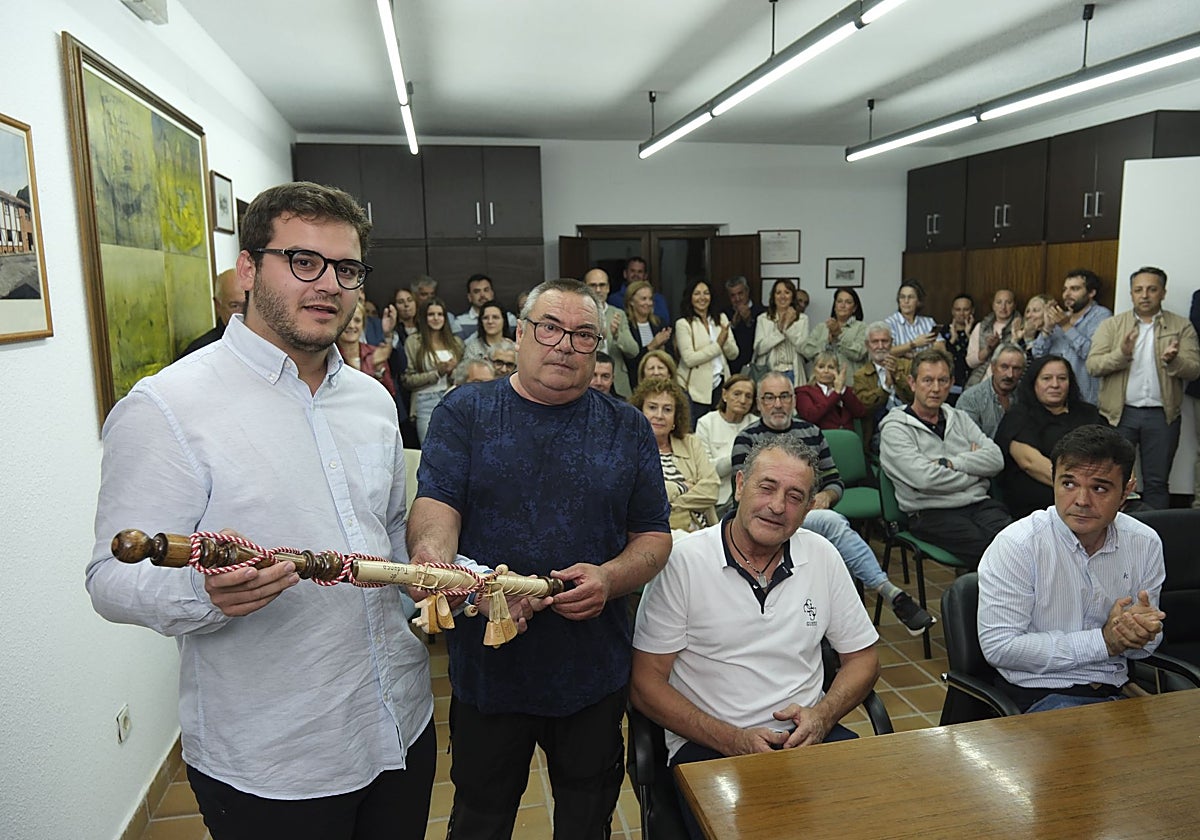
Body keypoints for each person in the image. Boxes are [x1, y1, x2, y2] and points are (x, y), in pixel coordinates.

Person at [86, 181, 435, 839]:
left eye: (347, 269)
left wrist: (438, 581)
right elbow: (109, 580)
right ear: (248, 269)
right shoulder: (166, 409)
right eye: (304, 261)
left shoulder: (369, 401)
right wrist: (205, 591)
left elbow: (386, 533)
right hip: (276, 763)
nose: (329, 284)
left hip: (399, 723)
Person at [408, 278, 673, 840]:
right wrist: (444, 569)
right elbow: (436, 510)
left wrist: (609, 576)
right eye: (550, 328)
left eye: (583, 335)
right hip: (490, 669)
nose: (564, 345)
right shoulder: (467, 412)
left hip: (590, 671)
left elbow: (654, 538)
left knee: (586, 818)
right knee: (481, 817)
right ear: (521, 333)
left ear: (597, 348)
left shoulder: (626, 427)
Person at [630, 438, 880, 836]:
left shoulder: (823, 555)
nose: (778, 506)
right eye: (767, 487)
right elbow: (644, 684)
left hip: (809, 738)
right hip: (711, 746)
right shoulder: (685, 563)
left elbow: (863, 658)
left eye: (795, 496)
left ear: (809, 506)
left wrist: (822, 715)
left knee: (878, 821)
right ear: (740, 484)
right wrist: (733, 739)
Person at [978, 425, 1165, 713]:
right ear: (1052, 480)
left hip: (1114, 691)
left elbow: (1146, 646)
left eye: (1099, 488)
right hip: (1035, 694)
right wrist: (1103, 642)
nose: (1081, 500)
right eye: (1068, 484)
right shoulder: (1017, 545)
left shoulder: (1145, 543)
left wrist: (1139, 632)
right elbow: (1000, 647)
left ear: (1127, 490)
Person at [733, 372, 934, 634]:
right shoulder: (747, 438)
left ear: (793, 400)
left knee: (831, 539)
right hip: (767, 519)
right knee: (834, 526)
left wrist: (828, 495)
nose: (778, 404)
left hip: (810, 515)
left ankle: (843, 628)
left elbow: (834, 480)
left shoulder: (812, 432)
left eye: (784, 396)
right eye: (769, 398)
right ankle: (888, 593)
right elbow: (746, 495)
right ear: (759, 404)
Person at [879, 348, 1010, 569]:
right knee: (992, 552)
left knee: (1018, 543)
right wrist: (975, 472)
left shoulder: (958, 418)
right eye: (928, 380)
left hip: (978, 504)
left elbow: (996, 459)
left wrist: (953, 463)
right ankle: (980, 601)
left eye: (942, 380)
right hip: (931, 513)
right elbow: (924, 479)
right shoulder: (895, 429)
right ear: (912, 383)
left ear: (951, 383)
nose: (936, 388)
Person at [1086, 266, 1200, 509]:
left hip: (1162, 415)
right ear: (1131, 293)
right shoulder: (1113, 325)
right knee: (1114, 478)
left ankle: (1157, 538)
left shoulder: (1181, 326)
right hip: (1119, 415)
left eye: (1152, 289)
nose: (1145, 295)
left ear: (1163, 292)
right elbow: (1093, 365)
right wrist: (1121, 354)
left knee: (1157, 482)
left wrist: (1173, 360)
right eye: (1138, 290)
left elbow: (1194, 369)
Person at [995, 355, 1102, 518]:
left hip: (1095, 496)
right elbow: (1030, 463)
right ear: (1034, 383)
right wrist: (1082, 490)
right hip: (1039, 506)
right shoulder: (1018, 416)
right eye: (1046, 378)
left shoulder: (1088, 413)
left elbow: (1114, 450)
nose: (1055, 385)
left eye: (1062, 378)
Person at [631, 376, 719, 533]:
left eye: (667, 409)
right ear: (639, 411)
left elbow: (712, 489)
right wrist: (683, 486)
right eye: (652, 407)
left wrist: (669, 503)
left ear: (675, 418)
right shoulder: (628, 448)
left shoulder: (691, 443)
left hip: (700, 532)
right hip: (654, 535)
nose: (659, 415)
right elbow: (641, 500)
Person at [1031, 269, 1112, 405]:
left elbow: (1093, 354)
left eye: (1074, 289)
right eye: (1065, 289)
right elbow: (1038, 355)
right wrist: (1047, 329)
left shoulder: (1101, 316)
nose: (1067, 294)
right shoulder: (1062, 317)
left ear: (1091, 293)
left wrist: (1066, 327)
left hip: (1084, 400)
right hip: (1055, 398)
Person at [675, 278, 738, 425]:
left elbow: (734, 354)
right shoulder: (683, 324)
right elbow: (689, 359)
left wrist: (725, 340)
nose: (702, 298)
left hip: (721, 385)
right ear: (690, 297)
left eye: (706, 293)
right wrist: (718, 345)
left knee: (720, 428)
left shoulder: (721, 318)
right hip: (696, 389)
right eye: (697, 294)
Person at [402, 297, 464, 444]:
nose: (436, 318)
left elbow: (464, 377)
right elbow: (407, 380)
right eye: (431, 314)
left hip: (452, 398)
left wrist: (451, 372)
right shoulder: (413, 341)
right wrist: (437, 373)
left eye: (440, 314)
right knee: (429, 449)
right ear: (424, 317)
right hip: (424, 401)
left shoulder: (456, 343)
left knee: (453, 447)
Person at [695, 374, 757, 514]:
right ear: (724, 394)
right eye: (737, 394)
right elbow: (704, 470)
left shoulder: (755, 424)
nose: (742, 400)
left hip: (750, 497)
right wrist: (738, 455)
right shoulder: (706, 423)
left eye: (748, 396)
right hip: (717, 498)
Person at [853, 322, 913, 450]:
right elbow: (863, 407)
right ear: (867, 345)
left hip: (911, 423)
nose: (880, 346)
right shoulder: (861, 375)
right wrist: (885, 388)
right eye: (875, 342)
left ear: (892, 342)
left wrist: (898, 376)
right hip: (879, 430)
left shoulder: (907, 366)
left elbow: (916, 397)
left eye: (884, 341)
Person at [584, 267, 639, 397]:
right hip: (588, 381)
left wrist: (616, 335)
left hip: (618, 383)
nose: (598, 290)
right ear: (585, 289)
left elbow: (634, 351)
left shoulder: (618, 314)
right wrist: (597, 339)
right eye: (593, 285)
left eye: (602, 285)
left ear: (608, 288)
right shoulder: (578, 314)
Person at [955, 343, 1026, 439]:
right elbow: (968, 441)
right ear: (993, 367)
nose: (1010, 374)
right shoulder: (971, 399)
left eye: (1016, 369)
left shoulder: (1028, 396)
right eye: (1004, 367)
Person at [800, 288, 868, 377]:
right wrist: (825, 343)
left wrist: (839, 336)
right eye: (839, 301)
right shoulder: (822, 327)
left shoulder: (862, 327)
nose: (843, 305)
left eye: (848, 302)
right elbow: (806, 351)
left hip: (849, 383)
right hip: (821, 384)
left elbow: (859, 353)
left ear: (854, 308)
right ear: (835, 306)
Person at [178, 268, 246, 358]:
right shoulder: (199, 352)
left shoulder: (265, 342)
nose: (244, 312)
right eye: (235, 306)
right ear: (218, 305)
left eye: (248, 304)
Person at [752, 278, 808, 384]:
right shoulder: (763, 318)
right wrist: (780, 330)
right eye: (778, 293)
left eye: (787, 292)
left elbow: (804, 348)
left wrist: (788, 327)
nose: (782, 296)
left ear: (792, 296)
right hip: (769, 372)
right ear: (773, 296)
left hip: (793, 372)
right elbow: (759, 348)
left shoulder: (802, 319)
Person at [795, 351, 867, 432]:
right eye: (821, 367)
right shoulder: (804, 392)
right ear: (814, 370)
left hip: (848, 439)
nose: (826, 371)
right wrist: (835, 394)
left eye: (831, 367)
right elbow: (811, 416)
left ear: (837, 370)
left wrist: (842, 389)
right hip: (821, 440)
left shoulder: (846, 391)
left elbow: (860, 412)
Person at [336, 300, 396, 395]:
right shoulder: (328, 355)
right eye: (347, 320)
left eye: (357, 320)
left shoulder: (374, 353)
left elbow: (390, 392)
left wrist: (378, 370)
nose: (351, 326)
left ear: (363, 326)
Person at [965, 289, 1020, 386]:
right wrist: (988, 349)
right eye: (999, 302)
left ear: (1014, 305)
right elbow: (970, 362)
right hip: (978, 383)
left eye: (1008, 303)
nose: (1003, 307)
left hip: (1007, 385)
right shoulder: (981, 327)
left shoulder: (1021, 328)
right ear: (993, 305)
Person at [626, 279, 674, 387]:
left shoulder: (660, 323)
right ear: (631, 302)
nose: (648, 303)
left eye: (650, 299)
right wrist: (652, 345)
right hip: (635, 383)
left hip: (661, 382)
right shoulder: (626, 326)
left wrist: (663, 348)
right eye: (643, 299)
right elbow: (630, 361)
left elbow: (671, 358)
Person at [884, 281, 941, 358]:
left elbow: (940, 347)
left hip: (927, 366)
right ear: (898, 300)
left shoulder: (929, 322)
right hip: (901, 368)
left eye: (910, 297)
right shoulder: (889, 323)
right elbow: (888, 351)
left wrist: (916, 355)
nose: (906, 301)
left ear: (918, 301)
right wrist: (914, 344)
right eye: (902, 297)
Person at [608, 256, 670, 324]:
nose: (636, 275)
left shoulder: (658, 299)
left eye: (640, 272)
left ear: (645, 276)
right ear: (625, 274)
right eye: (632, 271)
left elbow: (664, 322)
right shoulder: (614, 299)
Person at [454, 273, 517, 340]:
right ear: (469, 297)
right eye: (477, 291)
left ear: (492, 293)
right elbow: (459, 349)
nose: (482, 295)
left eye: (486, 290)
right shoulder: (459, 322)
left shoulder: (510, 319)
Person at [724, 275, 764, 375]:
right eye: (733, 295)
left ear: (747, 292)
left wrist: (749, 321)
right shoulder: (724, 314)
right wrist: (733, 325)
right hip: (732, 367)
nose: (737, 299)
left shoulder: (761, 312)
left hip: (755, 366)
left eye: (740, 293)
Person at [940, 293, 974, 402]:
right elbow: (942, 356)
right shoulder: (944, 330)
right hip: (948, 383)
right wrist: (952, 340)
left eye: (966, 309)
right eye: (958, 309)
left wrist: (969, 335)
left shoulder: (978, 330)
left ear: (972, 311)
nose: (961, 313)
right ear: (952, 311)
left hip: (970, 382)